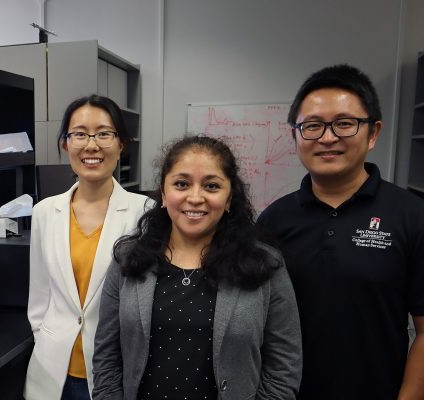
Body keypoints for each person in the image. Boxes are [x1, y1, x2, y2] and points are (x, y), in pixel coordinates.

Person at [257, 64, 424, 399]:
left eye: (345, 124)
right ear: (296, 137)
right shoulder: (272, 221)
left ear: (373, 132)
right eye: (313, 126)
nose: (328, 137)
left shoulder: (411, 215)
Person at [93, 135, 302, 400]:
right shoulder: (128, 259)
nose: (195, 197)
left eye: (211, 186)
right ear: (164, 193)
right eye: (181, 184)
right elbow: (106, 356)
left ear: (229, 199)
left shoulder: (265, 265)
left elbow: (284, 366)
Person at [24, 95, 152, 400]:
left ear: (122, 144)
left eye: (104, 133)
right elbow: (40, 296)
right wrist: (43, 336)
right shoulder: (45, 211)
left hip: (114, 374)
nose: (91, 145)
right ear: (66, 144)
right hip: (53, 372)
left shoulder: (146, 213)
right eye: (79, 134)